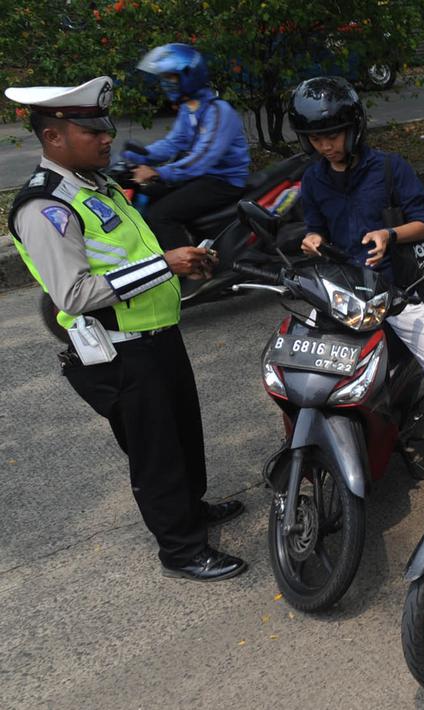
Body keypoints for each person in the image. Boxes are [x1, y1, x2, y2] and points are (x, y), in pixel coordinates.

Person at [4, 77, 247, 581]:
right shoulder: (46, 206)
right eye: (91, 131)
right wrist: (165, 267)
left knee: (182, 434)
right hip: (119, 352)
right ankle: (181, 551)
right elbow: (73, 294)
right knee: (154, 451)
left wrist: (184, 265)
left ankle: (192, 510)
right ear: (53, 138)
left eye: (105, 127)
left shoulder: (97, 185)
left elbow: (132, 256)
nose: (106, 137)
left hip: (158, 334)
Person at [288, 76, 424, 440]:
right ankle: (307, 448)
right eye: (316, 139)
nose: (325, 146)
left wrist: (389, 235)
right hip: (340, 296)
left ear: (353, 130)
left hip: (393, 291)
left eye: (332, 136)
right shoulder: (313, 179)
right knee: (303, 375)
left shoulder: (389, 168)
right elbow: (314, 227)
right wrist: (312, 239)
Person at [123, 44, 250, 250]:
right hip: (201, 177)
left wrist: (157, 172)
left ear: (189, 76)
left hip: (223, 181)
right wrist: (141, 156)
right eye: (163, 78)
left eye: (171, 78)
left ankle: (190, 271)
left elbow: (202, 159)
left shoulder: (218, 111)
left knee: (160, 215)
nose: (166, 84)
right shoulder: (188, 108)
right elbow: (174, 142)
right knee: (149, 195)